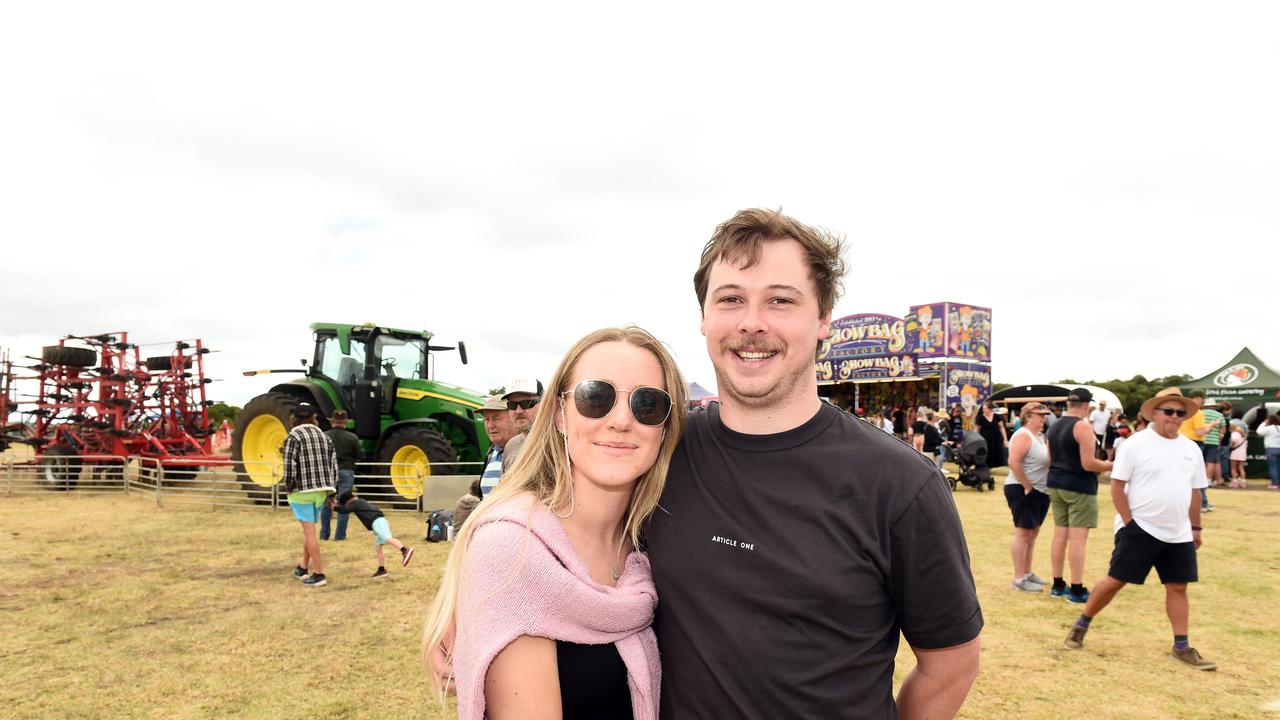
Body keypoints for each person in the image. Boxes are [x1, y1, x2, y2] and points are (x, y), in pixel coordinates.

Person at [646, 208, 981, 718]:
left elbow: (951, 665)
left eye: (780, 301)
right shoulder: (661, 453)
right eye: (731, 299)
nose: (751, 323)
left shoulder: (899, 483)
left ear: (823, 318)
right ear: (705, 319)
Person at [423, 327, 687, 720]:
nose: (620, 420)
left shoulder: (651, 541)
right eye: (595, 397)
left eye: (647, 404)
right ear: (561, 414)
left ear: (664, 427)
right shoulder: (513, 550)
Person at [1063, 387, 1215, 671]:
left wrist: (1196, 527)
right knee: (1115, 581)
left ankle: (1181, 646)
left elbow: (1195, 491)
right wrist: (1130, 524)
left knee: (1179, 587)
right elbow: (1118, 486)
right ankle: (1081, 624)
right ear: (1154, 413)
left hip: (1179, 532)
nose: (1174, 417)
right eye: (1168, 411)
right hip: (1140, 527)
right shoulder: (1135, 444)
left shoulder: (1191, 448)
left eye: (1180, 412)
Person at [1046, 387, 1114, 603]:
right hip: (1079, 486)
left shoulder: (1054, 426)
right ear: (1086, 406)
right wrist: (1111, 465)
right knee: (1078, 539)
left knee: (1059, 535)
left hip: (1056, 483)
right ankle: (1076, 588)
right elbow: (1088, 463)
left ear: (1068, 404)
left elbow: (1049, 459)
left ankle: (1058, 584)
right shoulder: (1082, 427)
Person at [282, 402, 338, 588]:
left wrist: (289, 486)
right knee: (310, 530)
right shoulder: (324, 436)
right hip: (321, 491)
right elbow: (333, 465)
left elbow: (289, 466)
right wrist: (331, 492)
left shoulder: (293, 436)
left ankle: (319, 573)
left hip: (302, 491)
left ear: (295, 418)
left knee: (309, 532)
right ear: (314, 417)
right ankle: (303, 567)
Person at [1006, 402, 1053, 592]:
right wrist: (1027, 485)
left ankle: (1027, 573)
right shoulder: (1023, 435)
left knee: (1032, 533)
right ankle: (1018, 579)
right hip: (1022, 489)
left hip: (1039, 491)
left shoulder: (1039, 437)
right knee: (1023, 533)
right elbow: (1013, 462)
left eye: (1044, 415)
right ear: (1028, 416)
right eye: (1039, 415)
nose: (1043, 418)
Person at [331, 489, 415, 578]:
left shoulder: (354, 502)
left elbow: (344, 510)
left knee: (387, 539)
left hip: (377, 522)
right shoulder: (360, 502)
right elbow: (345, 508)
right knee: (378, 547)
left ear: (348, 501)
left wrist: (334, 507)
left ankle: (405, 550)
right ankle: (381, 570)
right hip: (379, 522)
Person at [319, 409, 361, 541]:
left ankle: (324, 534)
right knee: (344, 503)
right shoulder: (352, 437)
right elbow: (359, 456)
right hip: (346, 471)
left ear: (332, 422)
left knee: (326, 503)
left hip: (328, 471)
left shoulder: (324, 436)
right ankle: (340, 535)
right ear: (345, 423)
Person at [500, 377, 543, 473]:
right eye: (512, 405)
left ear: (543, 404)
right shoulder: (510, 446)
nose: (518, 411)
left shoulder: (561, 443)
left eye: (527, 403)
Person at [476, 394, 516, 496]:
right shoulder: (491, 453)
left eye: (496, 418)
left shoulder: (527, 452)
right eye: (487, 419)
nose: (490, 425)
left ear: (513, 417)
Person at [975, 401, 1008, 468]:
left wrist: (1005, 439)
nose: (983, 410)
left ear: (990, 409)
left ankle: (997, 465)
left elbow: (1002, 428)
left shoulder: (997, 417)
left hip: (996, 438)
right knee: (987, 452)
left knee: (997, 451)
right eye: (983, 408)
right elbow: (977, 430)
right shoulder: (981, 418)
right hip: (985, 438)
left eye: (985, 408)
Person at [1260, 412, 1280, 490]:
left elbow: (1259, 431)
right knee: (1279, 467)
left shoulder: (1269, 428)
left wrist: (1264, 423)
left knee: (1272, 467)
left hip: (1271, 449)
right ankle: (1278, 483)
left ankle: (1274, 484)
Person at [1228, 423, 1248, 488]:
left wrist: (1231, 445)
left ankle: (1235, 482)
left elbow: (1234, 440)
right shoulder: (1243, 436)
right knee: (1241, 468)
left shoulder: (1234, 434)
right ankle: (1243, 482)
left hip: (1235, 453)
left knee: (1233, 468)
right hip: (1242, 454)